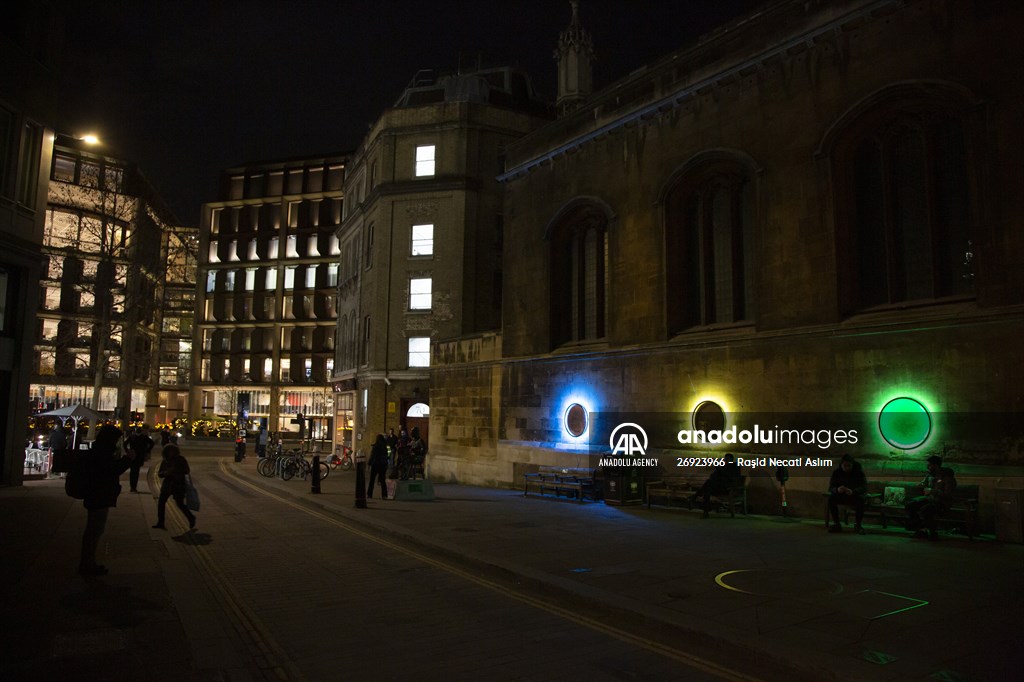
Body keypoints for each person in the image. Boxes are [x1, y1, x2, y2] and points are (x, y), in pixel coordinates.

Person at [78, 424, 134, 576]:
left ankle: (88, 562)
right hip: (99, 495)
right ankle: (88, 564)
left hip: (96, 494)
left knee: (93, 530)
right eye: (116, 440)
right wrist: (127, 460)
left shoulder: (98, 451)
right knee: (94, 530)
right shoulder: (102, 453)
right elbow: (111, 470)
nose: (117, 443)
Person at [905, 455, 957, 540]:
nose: (927, 467)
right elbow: (923, 483)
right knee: (910, 505)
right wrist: (921, 485)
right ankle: (921, 531)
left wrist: (932, 491)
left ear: (936, 466)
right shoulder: (930, 475)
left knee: (926, 509)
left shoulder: (947, 477)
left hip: (942, 503)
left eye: (929, 465)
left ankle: (933, 533)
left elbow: (948, 494)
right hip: (930, 500)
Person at [152, 443, 196, 531]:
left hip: (178, 484)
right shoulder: (165, 461)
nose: (170, 453)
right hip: (168, 484)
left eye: (172, 451)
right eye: (168, 452)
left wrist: (175, 471)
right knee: (161, 502)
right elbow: (160, 474)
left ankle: (191, 517)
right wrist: (165, 473)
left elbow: (187, 470)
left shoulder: (180, 459)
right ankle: (161, 522)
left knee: (180, 503)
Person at [827, 454, 867, 534]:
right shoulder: (837, 473)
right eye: (845, 466)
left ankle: (858, 525)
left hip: (854, 496)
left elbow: (863, 487)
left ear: (852, 465)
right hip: (841, 495)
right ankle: (837, 524)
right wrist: (837, 490)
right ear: (841, 465)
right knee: (831, 499)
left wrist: (853, 491)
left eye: (849, 466)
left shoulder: (858, 473)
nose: (847, 468)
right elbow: (831, 487)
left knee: (861, 500)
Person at [693, 453, 742, 518]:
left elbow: (730, 477)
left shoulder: (735, 467)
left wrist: (720, 470)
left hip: (726, 488)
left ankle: (694, 497)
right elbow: (713, 476)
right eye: (725, 459)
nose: (725, 460)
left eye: (727, 459)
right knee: (707, 489)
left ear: (731, 459)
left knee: (708, 484)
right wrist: (718, 470)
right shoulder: (723, 467)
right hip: (718, 487)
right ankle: (705, 511)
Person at [125, 427, 155, 493]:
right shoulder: (143, 437)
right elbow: (152, 443)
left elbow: (125, 444)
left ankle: (132, 487)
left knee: (133, 471)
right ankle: (134, 487)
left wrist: (128, 451)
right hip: (140, 456)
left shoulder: (132, 437)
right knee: (136, 471)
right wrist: (147, 451)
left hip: (133, 455)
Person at [367, 434, 389, 499]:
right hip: (382, 465)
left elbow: (372, 455)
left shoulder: (375, 446)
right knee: (383, 481)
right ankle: (384, 495)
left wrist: (369, 463)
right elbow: (387, 456)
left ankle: (369, 494)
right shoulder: (385, 446)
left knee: (372, 480)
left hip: (375, 464)